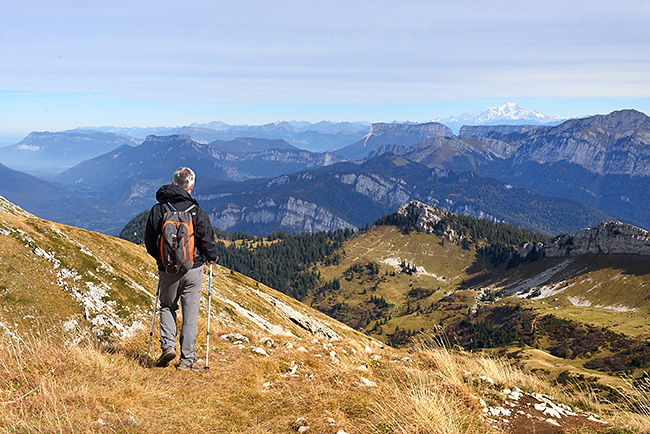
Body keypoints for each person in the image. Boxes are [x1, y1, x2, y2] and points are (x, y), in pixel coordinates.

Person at [144, 167, 219, 371]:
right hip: (193, 269)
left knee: (167, 306)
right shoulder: (197, 212)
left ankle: (168, 346)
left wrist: (162, 260)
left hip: (167, 270)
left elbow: (150, 242)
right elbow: (207, 242)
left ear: (173, 183)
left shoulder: (158, 210)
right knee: (190, 314)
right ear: (191, 186)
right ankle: (187, 361)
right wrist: (212, 257)